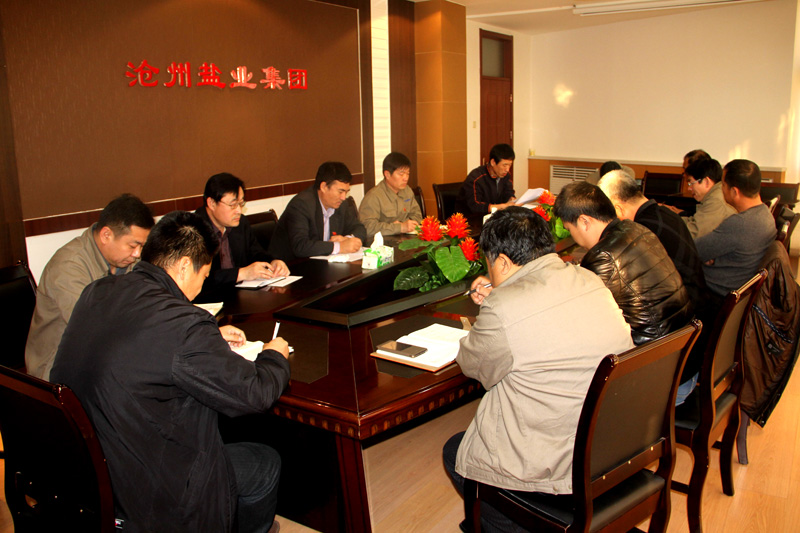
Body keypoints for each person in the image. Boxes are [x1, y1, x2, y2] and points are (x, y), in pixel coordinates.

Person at [50, 211, 291, 533]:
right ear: (184, 266)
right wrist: (274, 356)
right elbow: (254, 394)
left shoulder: (98, 291)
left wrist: (208, 338)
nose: (202, 285)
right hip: (154, 489)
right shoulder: (184, 324)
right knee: (264, 462)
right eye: (204, 275)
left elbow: (137, 341)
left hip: (88, 470)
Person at [442, 207, 633, 532]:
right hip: (609, 446)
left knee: (455, 452)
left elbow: (473, 366)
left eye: (490, 264)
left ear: (502, 262)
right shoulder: (589, 279)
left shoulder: (504, 307)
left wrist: (498, 301)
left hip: (558, 469)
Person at [597, 170, 711, 403]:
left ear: (617, 208)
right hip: (694, 332)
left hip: (676, 357)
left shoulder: (641, 232)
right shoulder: (664, 214)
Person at [25, 194, 154, 380]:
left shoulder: (127, 260)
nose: (137, 254)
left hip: (100, 357)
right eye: (133, 246)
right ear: (106, 235)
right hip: (57, 369)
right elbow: (94, 328)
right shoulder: (68, 267)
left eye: (142, 246)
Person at [553, 182, 692, 345]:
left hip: (650, 349)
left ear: (584, 221)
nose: (573, 236)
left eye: (569, 229)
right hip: (680, 336)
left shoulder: (602, 256)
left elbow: (585, 314)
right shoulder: (636, 228)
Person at [195, 173, 289, 297]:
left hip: (239, 296)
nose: (239, 210)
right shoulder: (194, 231)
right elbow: (200, 279)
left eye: (241, 204)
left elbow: (255, 253)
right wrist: (241, 273)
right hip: (208, 300)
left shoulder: (240, 223)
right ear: (212, 203)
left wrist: (273, 262)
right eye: (233, 205)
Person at [695, 159, 776, 300]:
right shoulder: (766, 214)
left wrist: (709, 255)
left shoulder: (740, 223)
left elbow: (695, 250)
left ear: (734, 191)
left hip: (714, 293)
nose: (721, 189)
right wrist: (713, 256)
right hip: (738, 288)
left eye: (723, 185)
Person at [268, 161, 367, 261]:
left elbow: (359, 228)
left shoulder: (341, 204)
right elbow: (300, 246)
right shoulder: (301, 205)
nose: (343, 197)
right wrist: (339, 247)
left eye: (346, 192)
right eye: (340, 192)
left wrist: (348, 238)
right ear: (324, 187)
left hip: (322, 263)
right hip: (291, 265)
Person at [358, 152, 422, 242]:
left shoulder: (407, 191)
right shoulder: (374, 196)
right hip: (385, 244)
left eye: (408, 173)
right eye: (401, 174)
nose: (406, 178)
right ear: (387, 174)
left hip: (405, 240)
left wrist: (407, 225)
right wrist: (399, 227)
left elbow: (417, 215)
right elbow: (368, 228)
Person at [454, 143, 516, 218]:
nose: (507, 169)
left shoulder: (506, 175)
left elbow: (508, 192)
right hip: (470, 219)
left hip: (492, 217)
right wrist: (502, 206)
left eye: (510, 165)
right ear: (493, 162)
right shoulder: (476, 178)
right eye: (504, 165)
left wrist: (511, 199)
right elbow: (475, 206)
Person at [678, 158, 735, 239]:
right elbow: (694, 221)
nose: (689, 188)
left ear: (706, 182)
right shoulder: (714, 194)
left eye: (691, 183)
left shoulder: (716, 200)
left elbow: (694, 232)